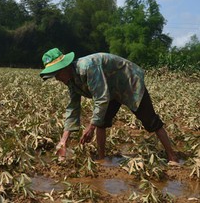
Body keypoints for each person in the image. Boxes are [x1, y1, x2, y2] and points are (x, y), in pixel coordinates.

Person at [40, 48, 178, 164]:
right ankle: (102, 159)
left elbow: (101, 98)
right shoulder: (71, 81)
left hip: (128, 81)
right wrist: (63, 141)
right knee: (102, 122)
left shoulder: (88, 67)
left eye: (57, 74)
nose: (57, 78)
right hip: (110, 88)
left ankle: (172, 156)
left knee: (151, 120)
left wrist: (91, 126)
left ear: (65, 66)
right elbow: (72, 109)